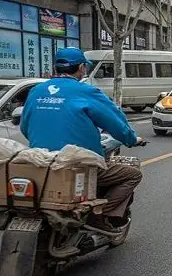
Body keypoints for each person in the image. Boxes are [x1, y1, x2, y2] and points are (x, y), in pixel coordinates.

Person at [21, 47, 144, 230]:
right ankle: (98, 215)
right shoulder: (86, 91)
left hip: (41, 161)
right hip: (78, 164)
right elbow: (115, 121)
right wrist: (132, 139)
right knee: (133, 175)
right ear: (81, 67)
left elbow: (25, 127)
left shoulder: (37, 91)